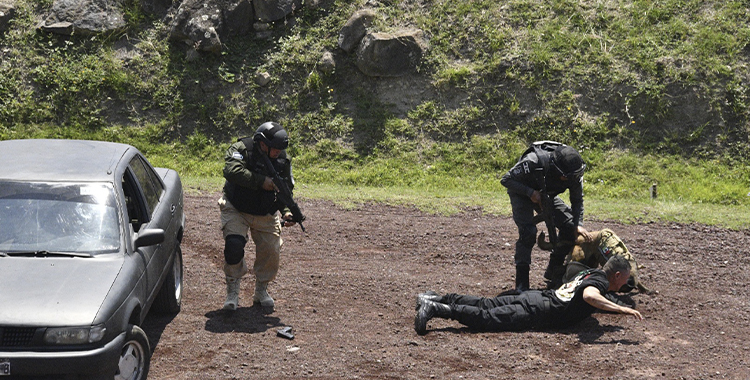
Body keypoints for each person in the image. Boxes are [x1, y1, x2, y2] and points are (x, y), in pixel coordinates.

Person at [414, 255, 643, 335]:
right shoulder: (599, 283)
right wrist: (622, 308)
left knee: (487, 303)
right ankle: (437, 309)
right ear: (617, 275)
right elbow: (590, 297)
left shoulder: (593, 271)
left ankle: (435, 297)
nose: (627, 283)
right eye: (626, 278)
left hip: (534, 297)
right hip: (536, 310)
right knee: (487, 318)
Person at [218, 122, 298, 310]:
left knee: (271, 252)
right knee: (234, 246)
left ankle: (261, 289)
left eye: (281, 148)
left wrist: (287, 211)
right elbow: (231, 171)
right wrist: (262, 182)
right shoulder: (242, 149)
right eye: (275, 148)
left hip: (265, 211)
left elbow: (286, 189)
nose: (278, 152)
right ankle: (232, 290)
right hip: (236, 207)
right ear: (262, 143)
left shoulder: (281, 160)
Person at [500, 141, 592, 292]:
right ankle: (522, 284)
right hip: (521, 192)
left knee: (570, 226)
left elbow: (577, 200)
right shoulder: (532, 161)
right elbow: (506, 180)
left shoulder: (573, 173)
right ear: (557, 171)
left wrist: (578, 224)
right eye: (566, 178)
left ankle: (554, 273)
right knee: (528, 233)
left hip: (546, 194)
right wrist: (530, 193)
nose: (571, 180)